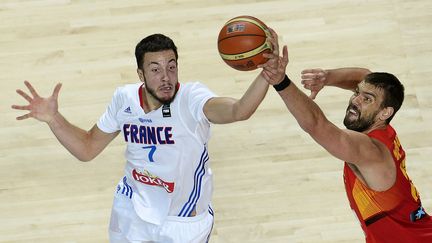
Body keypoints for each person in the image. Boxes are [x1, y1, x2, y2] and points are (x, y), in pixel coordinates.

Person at [11, 30, 283, 242]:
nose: (166, 77)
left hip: (183, 221)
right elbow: (87, 148)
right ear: (140, 74)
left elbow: (239, 110)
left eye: (172, 67)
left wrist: (266, 76)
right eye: (155, 69)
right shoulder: (124, 99)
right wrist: (53, 119)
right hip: (131, 211)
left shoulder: (191, 99)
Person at [260, 42, 432, 242]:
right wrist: (327, 77)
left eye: (366, 99)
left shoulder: (370, 151)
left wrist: (281, 81)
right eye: (356, 92)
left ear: (385, 112)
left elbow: (318, 125)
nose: (355, 100)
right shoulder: (384, 128)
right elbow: (365, 76)